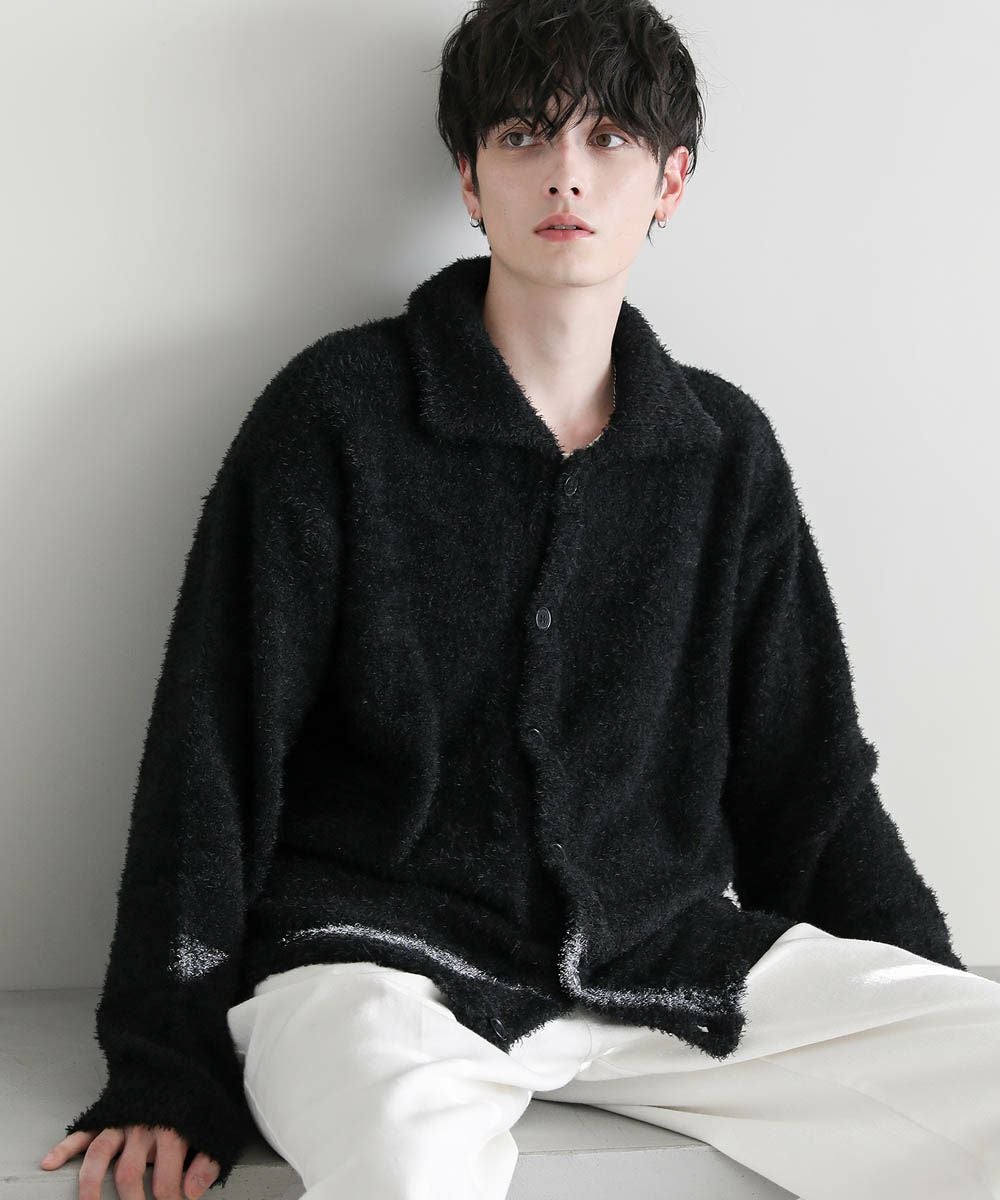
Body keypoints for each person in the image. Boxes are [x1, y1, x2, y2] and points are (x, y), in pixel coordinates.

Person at [41, 2, 999, 1199]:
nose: (566, 174)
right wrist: (163, 1067)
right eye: (523, 136)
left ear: (671, 182)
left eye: (609, 138)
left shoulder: (721, 449)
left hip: (661, 963)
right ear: (469, 178)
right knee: (404, 1167)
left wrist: (916, 992)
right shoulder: (337, 415)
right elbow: (213, 750)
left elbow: (805, 776)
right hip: (378, 968)